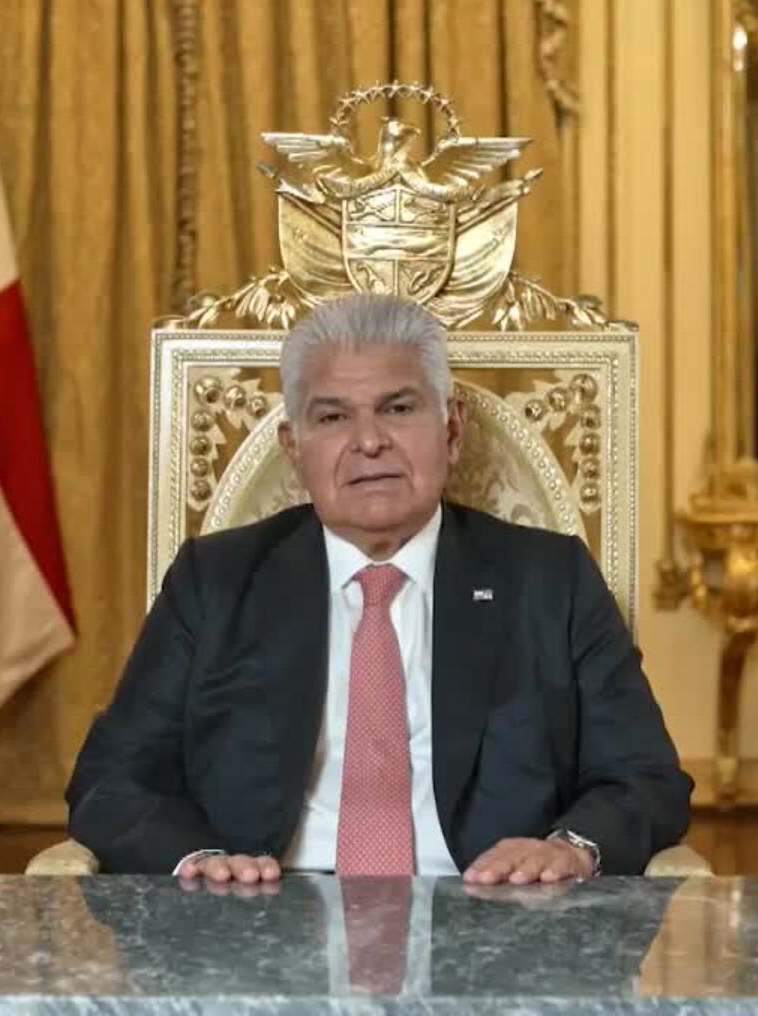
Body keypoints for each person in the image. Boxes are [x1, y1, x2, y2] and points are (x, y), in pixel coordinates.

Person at [67, 292, 690, 884]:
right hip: (261, 910)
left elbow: (646, 777)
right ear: (294, 448)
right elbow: (110, 779)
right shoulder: (215, 581)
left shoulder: (550, 581)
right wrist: (199, 861)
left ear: (452, 430)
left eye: (398, 408)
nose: (369, 442)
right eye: (333, 416)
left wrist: (570, 849)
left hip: (494, 910)